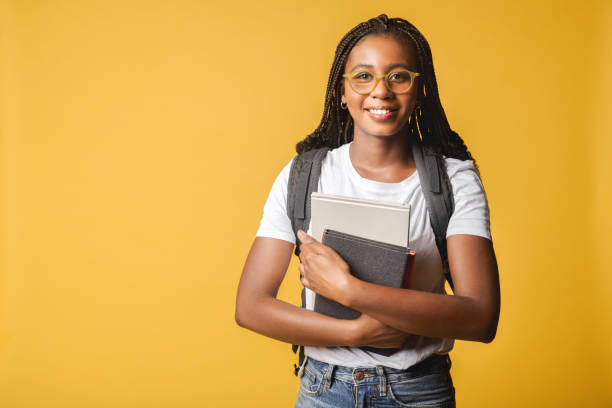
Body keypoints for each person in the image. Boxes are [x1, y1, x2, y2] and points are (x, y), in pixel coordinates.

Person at [235, 14, 500, 408]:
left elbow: (480, 317)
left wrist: (349, 289)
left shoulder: (454, 181)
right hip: (323, 388)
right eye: (363, 76)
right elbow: (250, 305)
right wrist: (355, 334)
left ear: (419, 89)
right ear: (341, 92)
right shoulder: (304, 175)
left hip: (417, 391)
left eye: (398, 76)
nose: (380, 90)